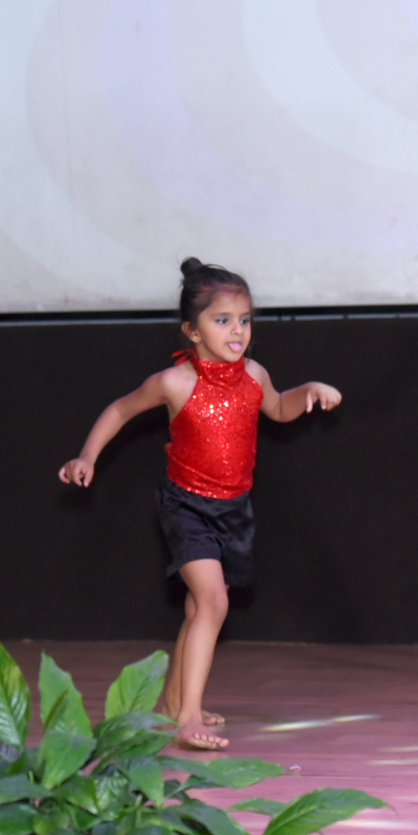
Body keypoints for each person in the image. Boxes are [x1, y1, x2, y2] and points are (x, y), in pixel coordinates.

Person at [58, 258, 341, 751]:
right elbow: (121, 409)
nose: (237, 331)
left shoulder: (254, 375)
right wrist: (87, 455)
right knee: (213, 602)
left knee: (198, 608)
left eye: (244, 320)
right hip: (186, 505)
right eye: (222, 320)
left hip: (234, 509)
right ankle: (188, 718)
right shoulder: (175, 382)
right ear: (192, 331)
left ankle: (173, 705)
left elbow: (278, 407)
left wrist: (309, 391)